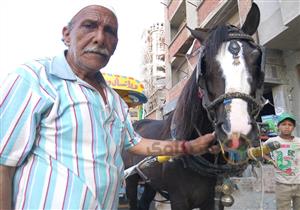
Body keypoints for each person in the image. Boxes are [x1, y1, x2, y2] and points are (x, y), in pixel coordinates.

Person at [0, 2, 219, 210]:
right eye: (89, 26)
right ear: (67, 34)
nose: (99, 38)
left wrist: (189, 147)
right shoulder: (33, 80)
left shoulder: (113, 99)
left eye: (110, 31)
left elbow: (136, 144)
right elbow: (3, 166)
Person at [263, 113, 300, 210]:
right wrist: (271, 161)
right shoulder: (272, 141)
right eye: (283, 124)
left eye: (290, 124)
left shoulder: (298, 141)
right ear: (278, 126)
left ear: (293, 127)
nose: (287, 127)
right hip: (282, 184)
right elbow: (261, 152)